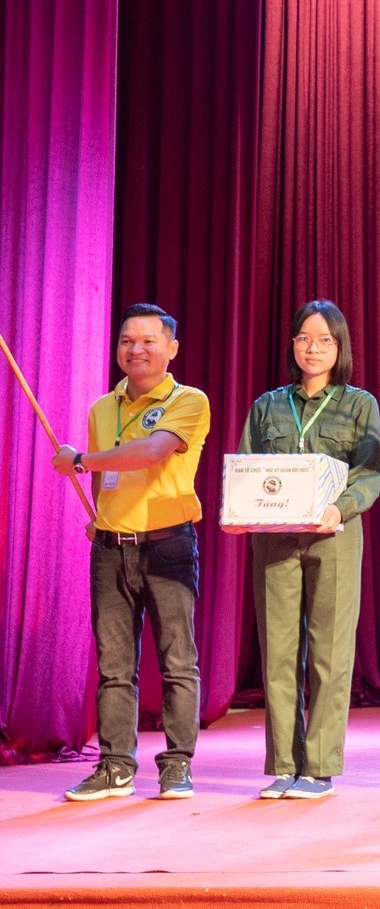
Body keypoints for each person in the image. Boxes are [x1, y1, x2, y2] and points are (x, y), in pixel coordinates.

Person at [228, 301, 380, 800]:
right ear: (292, 344)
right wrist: (237, 511)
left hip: (334, 534)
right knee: (278, 650)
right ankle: (283, 765)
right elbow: (247, 468)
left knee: (330, 651)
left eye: (323, 340)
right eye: (303, 338)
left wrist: (341, 508)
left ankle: (318, 768)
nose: (312, 348)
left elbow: (369, 473)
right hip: (274, 537)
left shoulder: (358, 404)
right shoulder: (268, 405)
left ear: (340, 347)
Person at [54, 304, 211, 803]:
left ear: (171, 348)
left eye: (147, 340)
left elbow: (150, 453)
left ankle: (177, 764)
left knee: (177, 659)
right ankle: (115, 766)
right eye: (127, 340)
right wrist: (100, 513)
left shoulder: (190, 400)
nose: (136, 349)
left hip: (168, 546)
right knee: (114, 665)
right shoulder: (103, 407)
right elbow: (104, 479)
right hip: (109, 548)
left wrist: (79, 460)